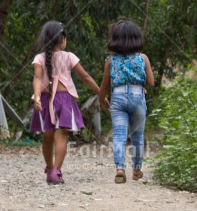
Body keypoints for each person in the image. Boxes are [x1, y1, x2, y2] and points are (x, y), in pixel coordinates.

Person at [30, 21, 102, 185]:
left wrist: (36, 96)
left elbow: (37, 78)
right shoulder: (69, 56)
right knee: (61, 137)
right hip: (64, 100)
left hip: (46, 99)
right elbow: (86, 77)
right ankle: (56, 171)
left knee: (47, 137)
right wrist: (101, 94)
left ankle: (49, 170)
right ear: (62, 39)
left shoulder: (39, 58)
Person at [98, 16, 154, 184]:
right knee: (137, 135)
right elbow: (150, 82)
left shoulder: (111, 60)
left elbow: (104, 84)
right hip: (138, 97)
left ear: (115, 40)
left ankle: (120, 169)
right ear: (136, 39)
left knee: (119, 135)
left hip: (118, 97)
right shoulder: (143, 58)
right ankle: (136, 169)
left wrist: (102, 99)